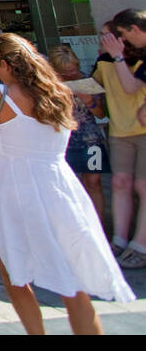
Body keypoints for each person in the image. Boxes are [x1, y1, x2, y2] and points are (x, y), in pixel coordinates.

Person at [0, 33, 134, 334]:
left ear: (6, 64)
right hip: (60, 187)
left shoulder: (1, 94)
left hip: (14, 187)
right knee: (71, 280)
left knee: (14, 273)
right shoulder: (59, 92)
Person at [95, 18, 146, 267]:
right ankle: (119, 240)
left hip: (142, 130)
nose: (103, 40)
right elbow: (96, 88)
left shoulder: (138, 60)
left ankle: (140, 245)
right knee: (120, 183)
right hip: (118, 130)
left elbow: (130, 88)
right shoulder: (102, 62)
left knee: (143, 187)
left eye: (108, 35)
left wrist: (117, 57)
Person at [48, 43, 108, 226]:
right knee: (69, 186)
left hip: (92, 142)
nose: (71, 75)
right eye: (65, 73)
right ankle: (76, 225)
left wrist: (89, 101)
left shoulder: (89, 82)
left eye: (74, 70)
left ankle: (98, 226)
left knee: (94, 181)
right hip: (64, 143)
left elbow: (101, 114)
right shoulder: (50, 87)